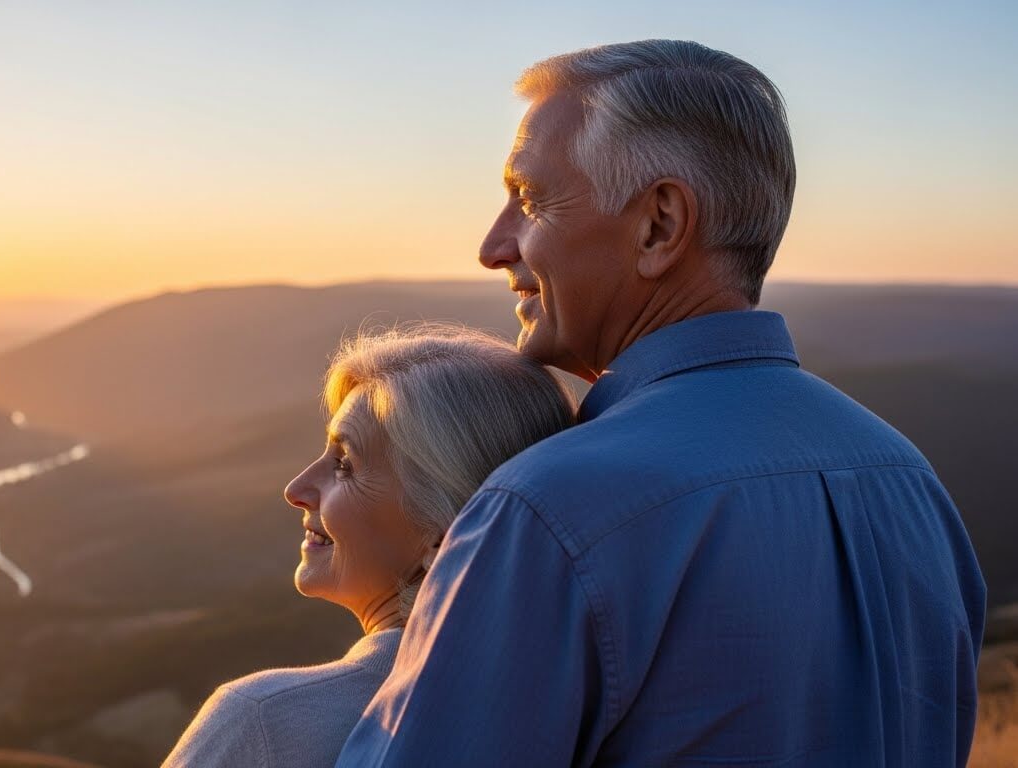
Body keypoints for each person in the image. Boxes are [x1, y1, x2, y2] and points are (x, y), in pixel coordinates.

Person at [336, 40, 986, 767]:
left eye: (529, 199)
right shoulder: (910, 484)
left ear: (659, 226)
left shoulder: (549, 510)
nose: (493, 247)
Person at [162, 326, 576, 767]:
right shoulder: (571, 711)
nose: (296, 489)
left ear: (445, 536)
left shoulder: (265, 723)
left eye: (345, 464)